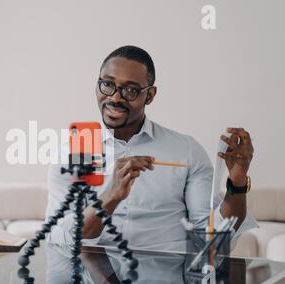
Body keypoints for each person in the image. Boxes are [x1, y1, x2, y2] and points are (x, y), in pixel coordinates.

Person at [46, 45, 257, 251]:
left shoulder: (186, 150)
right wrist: (110, 196)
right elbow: (61, 238)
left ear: (150, 95)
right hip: (96, 280)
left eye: (130, 90)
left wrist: (237, 182)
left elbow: (211, 237)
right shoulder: (72, 152)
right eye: (108, 85)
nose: (115, 97)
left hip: (169, 279)